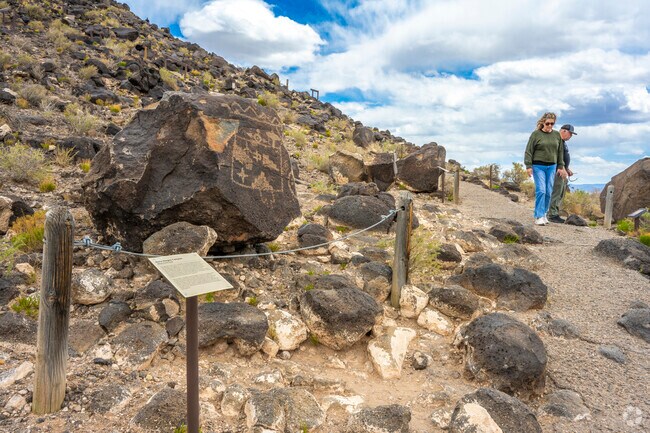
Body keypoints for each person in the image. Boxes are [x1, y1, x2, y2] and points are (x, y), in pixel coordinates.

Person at [524, 112, 567, 226]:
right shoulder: (535, 134)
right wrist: (528, 166)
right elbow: (529, 150)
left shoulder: (556, 135)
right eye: (547, 123)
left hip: (552, 166)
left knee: (548, 192)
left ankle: (544, 214)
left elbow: (560, 152)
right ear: (543, 122)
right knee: (541, 190)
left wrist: (560, 166)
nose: (549, 126)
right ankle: (538, 216)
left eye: (552, 124)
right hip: (538, 166)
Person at [548, 124, 577, 223]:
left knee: (560, 192)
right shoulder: (556, 140)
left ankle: (555, 213)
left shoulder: (562, 142)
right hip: (557, 171)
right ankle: (552, 215)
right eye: (570, 133)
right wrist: (562, 168)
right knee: (556, 192)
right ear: (564, 131)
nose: (571, 136)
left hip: (562, 170)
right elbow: (554, 156)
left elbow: (562, 157)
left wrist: (567, 169)